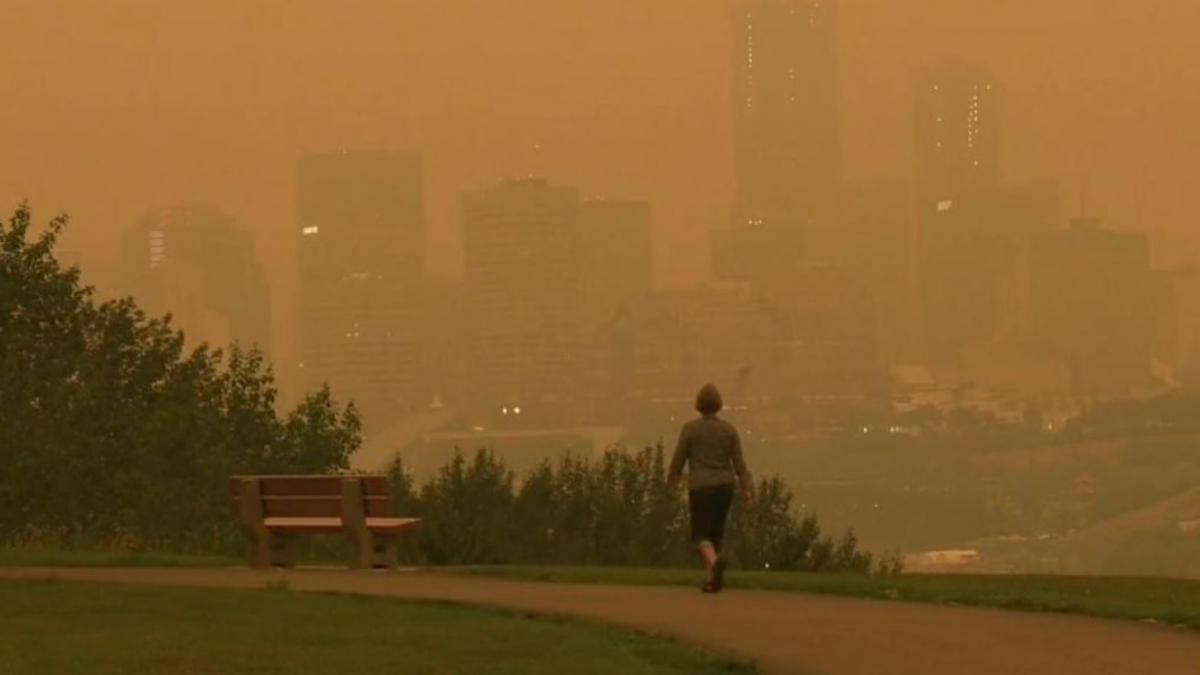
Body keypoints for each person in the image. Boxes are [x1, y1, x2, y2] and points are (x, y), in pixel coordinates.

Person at [667, 383, 753, 593]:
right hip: (725, 487)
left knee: (700, 536)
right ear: (719, 405)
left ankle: (714, 567)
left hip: (701, 487)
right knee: (715, 536)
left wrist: (671, 482)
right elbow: (739, 465)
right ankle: (712, 580)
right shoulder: (729, 430)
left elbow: (678, 460)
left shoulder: (690, 429)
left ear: (698, 405)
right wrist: (746, 490)